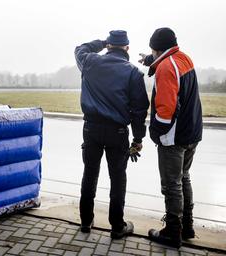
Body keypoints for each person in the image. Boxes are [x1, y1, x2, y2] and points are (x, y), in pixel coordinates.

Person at [75, 30, 149, 239]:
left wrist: (101, 43)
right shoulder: (133, 72)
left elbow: (80, 48)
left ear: (108, 46)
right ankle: (117, 226)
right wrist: (137, 139)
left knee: (90, 174)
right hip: (117, 132)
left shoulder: (90, 61)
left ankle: (85, 221)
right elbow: (139, 110)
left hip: (90, 128)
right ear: (127, 48)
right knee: (117, 178)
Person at [139, 27, 203, 248]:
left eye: (152, 50)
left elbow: (165, 109)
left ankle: (172, 232)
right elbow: (166, 61)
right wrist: (150, 60)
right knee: (184, 177)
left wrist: (156, 132)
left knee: (171, 185)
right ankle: (187, 226)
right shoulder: (183, 58)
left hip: (173, 137)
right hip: (192, 132)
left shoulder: (166, 68)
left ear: (157, 48)